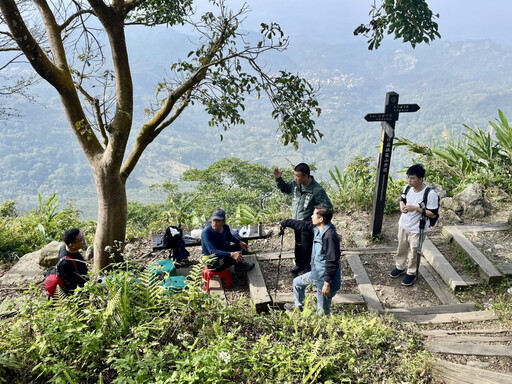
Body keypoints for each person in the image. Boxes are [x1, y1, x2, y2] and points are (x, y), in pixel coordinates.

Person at [280, 204, 341, 315]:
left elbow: (332, 261)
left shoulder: (330, 236)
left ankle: (322, 328)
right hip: (316, 275)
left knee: (322, 313)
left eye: (314, 214)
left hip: (326, 282)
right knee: (297, 283)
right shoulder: (317, 229)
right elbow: (302, 225)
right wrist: (285, 223)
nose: (311, 216)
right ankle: (299, 307)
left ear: (321, 219)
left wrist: (327, 284)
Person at [274, 163, 332, 275]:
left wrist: (316, 217)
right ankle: (299, 264)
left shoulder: (316, 189)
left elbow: (327, 206)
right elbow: (286, 189)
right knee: (298, 244)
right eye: (294, 175)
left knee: (307, 245)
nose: (295, 178)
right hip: (296, 221)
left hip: (307, 223)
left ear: (306, 176)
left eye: (297, 176)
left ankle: (308, 266)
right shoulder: (295, 185)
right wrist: (278, 180)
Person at [390, 164, 439, 286]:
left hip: (418, 228)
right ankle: (400, 267)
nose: (409, 181)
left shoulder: (430, 194)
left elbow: (433, 214)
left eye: (412, 178)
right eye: (408, 177)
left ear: (420, 178)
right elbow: (403, 199)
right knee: (401, 247)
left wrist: (416, 209)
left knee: (414, 252)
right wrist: (402, 206)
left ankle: (411, 273)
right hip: (404, 224)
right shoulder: (407, 188)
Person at [201, 208, 255, 273]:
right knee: (233, 256)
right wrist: (232, 254)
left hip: (221, 251)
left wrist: (239, 242)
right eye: (213, 220)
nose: (215, 223)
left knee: (239, 246)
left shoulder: (225, 227)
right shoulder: (206, 232)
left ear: (223, 222)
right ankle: (240, 265)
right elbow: (213, 252)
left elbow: (229, 236)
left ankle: (238, 265)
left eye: (218, 221)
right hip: (212, 262)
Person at [58, 228, 88, 295]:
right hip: (79, 297)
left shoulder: (67, 248)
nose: (84, 240)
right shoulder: (66, 263)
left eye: (82, 237)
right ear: (72, 245)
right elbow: (72, 288)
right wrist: (86, 302)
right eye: (80, 240)